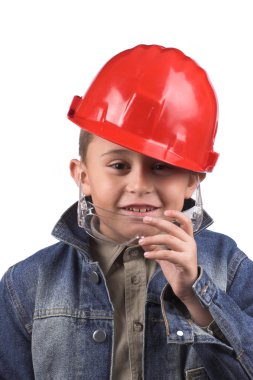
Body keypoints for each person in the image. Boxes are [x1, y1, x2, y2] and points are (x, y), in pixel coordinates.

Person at [0, 44, 252, 380]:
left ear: (191, 181)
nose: (139, 184)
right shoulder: (28, 283)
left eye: (162, 166)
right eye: (119, 165)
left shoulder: (228, 267)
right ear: (83, 176)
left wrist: (197, 294)